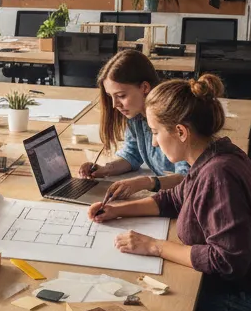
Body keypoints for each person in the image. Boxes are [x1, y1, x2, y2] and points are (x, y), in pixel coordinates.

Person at [88, 74, 251, 311]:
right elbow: (174, 199)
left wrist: (154, 246)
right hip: (230, 299)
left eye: (155, 132)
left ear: (180, 131)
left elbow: (227, 260)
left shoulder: (219, 175)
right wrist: (117, 211)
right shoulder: (212, 154)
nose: (153, 143)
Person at [79, 50, 189, 199]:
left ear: (144, 87)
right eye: (111, 96)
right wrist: (105, 169)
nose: (114, 105)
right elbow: (132, 155)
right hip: (167, 195)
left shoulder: (174, 116)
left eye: (121, 96)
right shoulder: (135, 115)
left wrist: (146, 183)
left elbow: (187, 178)